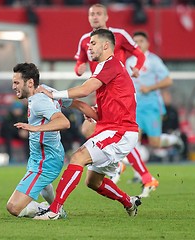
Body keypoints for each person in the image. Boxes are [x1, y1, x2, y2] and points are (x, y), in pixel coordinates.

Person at [34, 29, 141, 220]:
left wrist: (55, 94)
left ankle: (54, 210)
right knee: (93, 182)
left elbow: (84, 90)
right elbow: (92, 110)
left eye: (92, 43)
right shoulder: (108, 69)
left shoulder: (110, 64)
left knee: (78, 157)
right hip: (113, 129)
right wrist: (67, 102)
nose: (88, 46)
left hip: (120, 131)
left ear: (106, 45)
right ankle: (129, 201)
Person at [74, 3, 157, 198]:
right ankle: (116, 164)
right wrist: (79, 68)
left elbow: (138, 53)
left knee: (121, 131)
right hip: (100, 90)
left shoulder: (118, 35)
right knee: (90, 130)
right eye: (91, 14)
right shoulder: (85, 40)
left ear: (106, 16)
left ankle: (143, 175)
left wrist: (137, 67)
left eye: (98, 13)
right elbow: (80, 61)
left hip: (119, 91)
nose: (95, 17)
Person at [6, 62, 98, 218]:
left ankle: (49, 210)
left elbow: (64, 122)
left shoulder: (38, 101)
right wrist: (96, 116)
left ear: (29, 83)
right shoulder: (48, 90)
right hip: (41, 155)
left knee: (14, 207)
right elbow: (76, 103)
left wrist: (34, 128)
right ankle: (57, 208)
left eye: (16, 82)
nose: (13, 86)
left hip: (46, 160)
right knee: (43, 185)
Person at [124, 31, 184, 195]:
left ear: (147, 43)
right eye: (135, 41)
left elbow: (168, 80)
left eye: (141, 40)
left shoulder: (154, 61)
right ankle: (139, 174)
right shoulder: (129, 61)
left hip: (152, 107)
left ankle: (174, 139)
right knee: (133, 139)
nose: (138, 44)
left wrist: (149, 88)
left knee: (155, 143)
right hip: (134, 107)